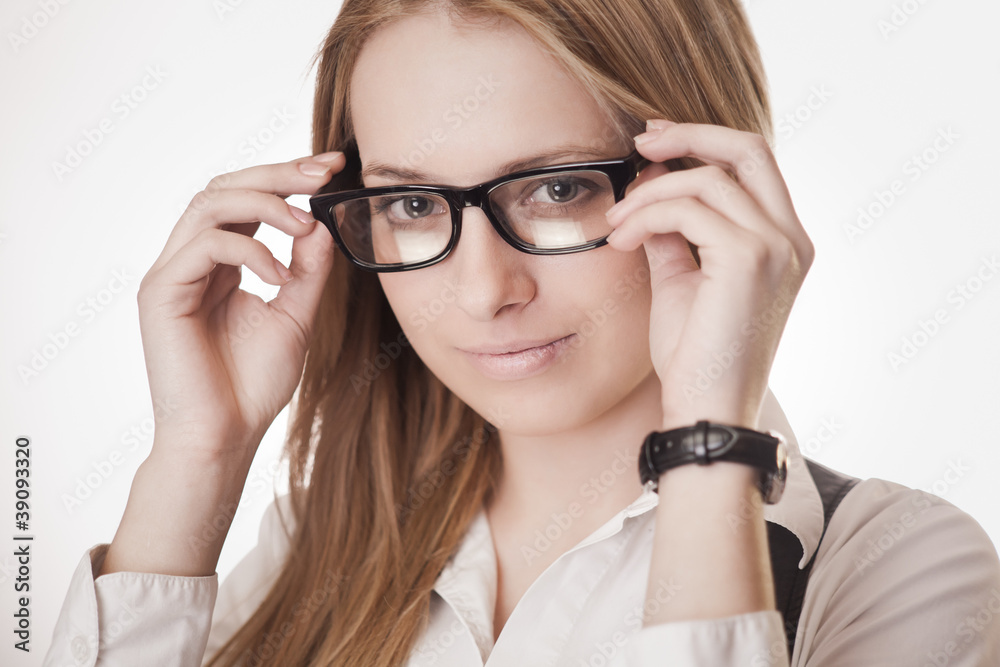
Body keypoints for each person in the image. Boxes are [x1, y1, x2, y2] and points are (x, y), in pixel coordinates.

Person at [43, 0, 1000, 665]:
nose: (484, 290)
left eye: (557, 188)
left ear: (707, 183)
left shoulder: (895, 562)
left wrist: (713, 439)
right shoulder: (315, 548)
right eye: (412, 202)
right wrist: (195, 456)